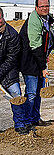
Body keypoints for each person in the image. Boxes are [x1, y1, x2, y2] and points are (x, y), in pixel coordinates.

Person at [19, 0, 54, 131]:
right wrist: (43, 67)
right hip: (30, 62)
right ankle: (27, 122)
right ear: (36, 8)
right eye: (42, 6)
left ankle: (35, 118)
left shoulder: (45, 19)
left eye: (47, 6)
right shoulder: (34, 20)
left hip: (38, 59)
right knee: (31, 93)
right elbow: (35, 45)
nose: (45, 8)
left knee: (38, 92)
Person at [0, 7, 27, 135]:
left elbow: (12, 58)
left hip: (9, 71)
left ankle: (20, 125)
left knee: (16, 95)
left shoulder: (11, 34)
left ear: (3, 17)